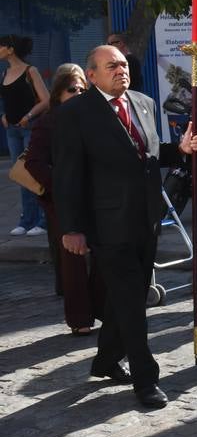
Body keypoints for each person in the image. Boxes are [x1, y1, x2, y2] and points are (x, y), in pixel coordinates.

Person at [54, 44, 197, 408]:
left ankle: (106, 360)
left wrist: (180, 149)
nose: (121, 70)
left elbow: (149, 155)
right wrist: (71, 228)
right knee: (131, 303)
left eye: (123, 64)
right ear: (91, 76)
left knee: (131, 296)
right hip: (107, 225)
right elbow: (68, 176)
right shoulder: (75, 112)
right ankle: (145, 379)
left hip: (146, 219)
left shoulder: (143, 102)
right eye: (111, 66)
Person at [26, 63, 104, 334]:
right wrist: (60, 184)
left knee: (102, 254)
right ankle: (80, 319)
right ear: (59, 92)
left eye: (83, 88)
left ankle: (100, 308)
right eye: (73, 89)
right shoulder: (48, 121)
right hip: (62, 200)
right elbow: (33, 162)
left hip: (95, 196)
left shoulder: (93, 117)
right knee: (73, 261)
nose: (79, 92)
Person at [1, 34, 50, 235]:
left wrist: (28, 116)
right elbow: (6, 100)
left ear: (10, 49)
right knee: (20, 175)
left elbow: (46, 100)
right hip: (12, 130)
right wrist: (3, 115)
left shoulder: (31, 71)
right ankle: (26, 219)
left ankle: (42, 220)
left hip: (30, 128)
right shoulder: (4, 73)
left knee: (33, 173)